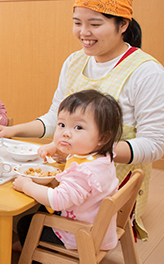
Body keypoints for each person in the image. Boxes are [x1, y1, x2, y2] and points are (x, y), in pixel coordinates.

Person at [0, 0, 164, 240]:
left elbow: (155, 144)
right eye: (77, 23)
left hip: (104, 193)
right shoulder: (74, 62)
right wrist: (12, 130)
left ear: (123, 25)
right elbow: (53, 118)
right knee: (5, 202)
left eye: (95, 24)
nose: (84, 32)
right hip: (68, 174)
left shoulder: (146, 72)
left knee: (14, 214)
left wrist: (89, 152)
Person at [14, 90, 122, 251]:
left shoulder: (83, 173)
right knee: (41, 209)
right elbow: (78, 151)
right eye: (62, 124)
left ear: (102, 138)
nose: (65, 133)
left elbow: (57, 200)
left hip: (80, 233)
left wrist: (26, 186)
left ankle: (36, 254)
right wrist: (55, 146)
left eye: (78, 127)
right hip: (97, 223)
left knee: (25, 224)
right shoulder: (102, 155)